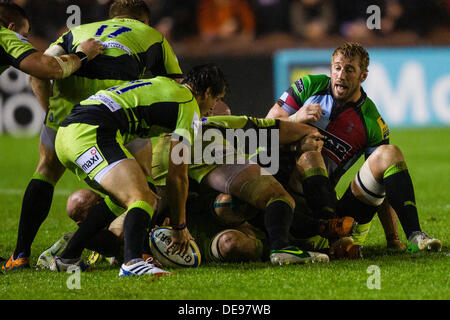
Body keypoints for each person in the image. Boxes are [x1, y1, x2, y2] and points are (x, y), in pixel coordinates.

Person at [3, 0, 182, 271]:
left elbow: (38, 75)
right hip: (117, 110)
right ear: (143, 21)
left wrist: (54, 115)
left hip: (66, 112)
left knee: (45, 173)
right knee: (142, 185)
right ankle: (138, 253)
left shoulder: (77, 31)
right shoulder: (154, 36)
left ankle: (20, 255)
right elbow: (173, 90)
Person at [47, 64, 227, 277]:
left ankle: (68, 257)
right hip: (92, 133)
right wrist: (179, 227)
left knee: (119, 198)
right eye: (216, 99)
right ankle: (132, 263)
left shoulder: (165, 85)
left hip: (68, 133)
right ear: (206, 92)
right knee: (144, 197)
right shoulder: (190, 108)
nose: (214, 107)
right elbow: (177, 176)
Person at [266, 42, 442, 254]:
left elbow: (385, 183)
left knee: (389, 154)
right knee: (308, 154)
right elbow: (267, 124)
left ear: (363, 76)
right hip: (282, 190)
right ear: (330, 69)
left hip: (328, 205)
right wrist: (296, 117)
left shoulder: (371, 120)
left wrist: (392, 239)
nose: (341, 75)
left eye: (349, 70)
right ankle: (328, 238)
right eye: (337, 68)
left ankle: (415, 235)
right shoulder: (309, 86)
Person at [0, 2, 103, 79]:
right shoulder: (5, 35)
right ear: (11, 28)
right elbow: (49, 68)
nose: (25, 41)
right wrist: (83, 54)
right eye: (23, 36)